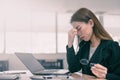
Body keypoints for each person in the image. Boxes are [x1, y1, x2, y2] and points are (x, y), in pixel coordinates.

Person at [66, 8, 120, 80]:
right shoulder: (83, 46)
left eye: (79, 28)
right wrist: (70, 44)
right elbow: (73, 68)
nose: (78, 34)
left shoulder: (112, 47)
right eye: (76, 30)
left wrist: (106, 75)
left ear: (91, 23)